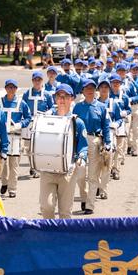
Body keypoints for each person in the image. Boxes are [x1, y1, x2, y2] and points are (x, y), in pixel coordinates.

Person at [40, 83, 90, 219]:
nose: (62, 100)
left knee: (65, 212)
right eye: (59, 96)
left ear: (72, 99)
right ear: (55, 98)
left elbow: (83, 145)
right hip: (48, 169)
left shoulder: (77, 122)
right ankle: (50, 232)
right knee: (46, 207)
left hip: (68, 171)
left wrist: (82, 156)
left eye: (66, 96)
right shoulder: (47, 120)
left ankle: (63, 234)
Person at [72, 79, 114, 213]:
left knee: (93, 175)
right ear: (83, 91)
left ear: (95, 91)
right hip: (80, 141)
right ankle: (84, 198)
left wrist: (107, 143)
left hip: (95, 141)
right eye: (87, 88)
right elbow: (72, 126)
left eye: (92, 88)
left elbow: (106, 126)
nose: (90, 91)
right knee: (80, 173)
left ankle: (90, 205)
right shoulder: (77, 107)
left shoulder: (101, 107)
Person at [0, 79, 33, 198]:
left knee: (14, 164)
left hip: (15, 136)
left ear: (16, 89)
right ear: (5, 88)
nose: (11, 89)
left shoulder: (21, 103)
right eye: (9, 87)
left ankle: (12, 188)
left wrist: (20, 125)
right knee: (2, 162)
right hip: (3, 136)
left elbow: (28, 117)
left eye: (13, 87)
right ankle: (4, 182)